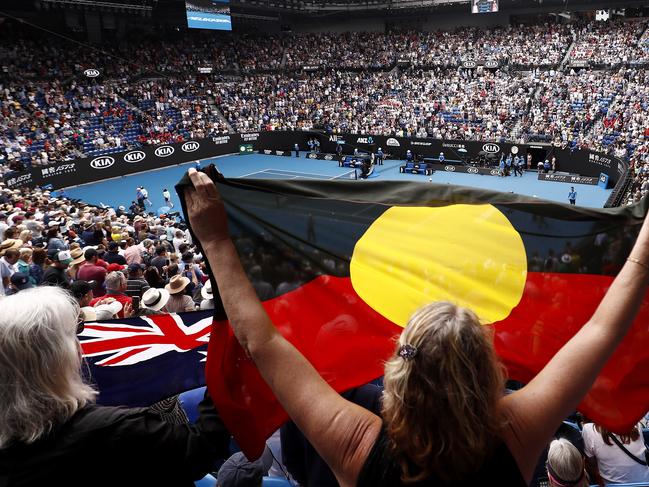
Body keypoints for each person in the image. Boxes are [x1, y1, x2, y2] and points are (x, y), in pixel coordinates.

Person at [184, 167, 649, 487]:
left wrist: (215, 237)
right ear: (490, 373)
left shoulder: (356, 446)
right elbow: (602, 331)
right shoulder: (516, 434)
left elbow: (259, 341)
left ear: (396, 374)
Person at [0, 286, 231, 485]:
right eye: (74, 334)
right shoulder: (119, 430)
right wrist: (223, 367)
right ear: (56, 356)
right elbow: (202, 450)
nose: (80, 343)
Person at [582, 422, 649, 486]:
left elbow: (591, 465)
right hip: (645, 482)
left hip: (610, 485)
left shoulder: (588, 429)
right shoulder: (637, 425)